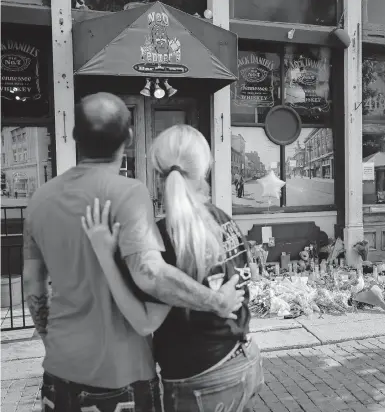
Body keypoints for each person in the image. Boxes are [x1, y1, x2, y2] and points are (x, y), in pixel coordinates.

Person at [23, 93, 244, 412]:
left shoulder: (40, 199)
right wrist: (215, 301)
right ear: (128, 138)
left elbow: (32, 284)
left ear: (74, 137)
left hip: (58, 373)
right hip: (121, 376)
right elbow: (151, 274)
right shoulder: (128, 194)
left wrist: (53, 343)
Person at [82, 124, 264, 412]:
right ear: (204, 169)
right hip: (244, 356)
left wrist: (106, 254)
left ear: (157, 173)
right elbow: (249, 272)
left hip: (202, 376)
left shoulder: (165, 237)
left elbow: (145, 322)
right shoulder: (222, 218)